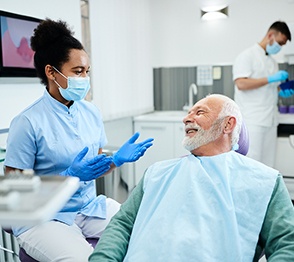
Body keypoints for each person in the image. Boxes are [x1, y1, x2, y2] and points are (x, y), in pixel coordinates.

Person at [4, 19, 153, 262]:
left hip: (88, 208)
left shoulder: (91, 112)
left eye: (87, 71)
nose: (84, 78)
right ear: (51, 72)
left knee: (148, 228)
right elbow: (17, 201)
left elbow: (93, 167)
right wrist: (68, 178)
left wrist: (114, 160)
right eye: (77, 71)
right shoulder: (27, 122)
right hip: (44, 218)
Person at [89, 94, 294, 262]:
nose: (186, 118)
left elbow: (287, 244)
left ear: (227, 125)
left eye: (200, 112)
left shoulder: (264, 180)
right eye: (188, 113)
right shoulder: (158, 173)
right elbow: (122, 225)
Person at [233, 21, 291, 167]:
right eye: (280, 43)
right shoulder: (246, 56)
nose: (280, 47)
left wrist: (282, 90)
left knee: (268, 166)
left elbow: (271, 87)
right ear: (270, 35)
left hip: (270, 120)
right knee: (252, 163)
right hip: (253, 120)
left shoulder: (273, 62)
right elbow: (241, 83)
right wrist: (270, 79)